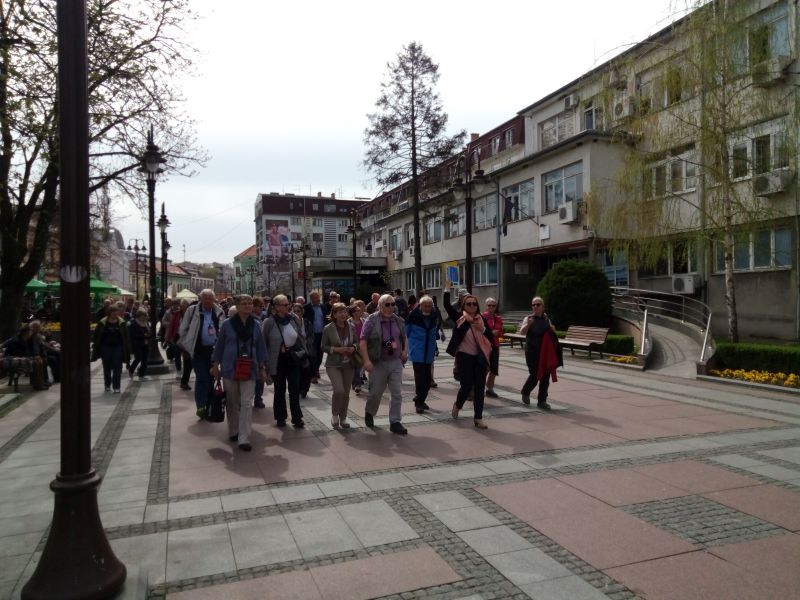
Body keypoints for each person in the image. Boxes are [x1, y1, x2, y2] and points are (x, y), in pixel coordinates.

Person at [211, 294, 268, 451]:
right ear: (237, 306)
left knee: (246, 403)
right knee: (232, 402)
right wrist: (215, 365)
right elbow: (220, 345)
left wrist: (262, 368)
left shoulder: (256, 324)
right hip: (230, 367)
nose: (248, 305)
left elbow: (261, 347)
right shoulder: (227, 324)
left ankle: (244, 438)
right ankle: (234, 430)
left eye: (250, 303)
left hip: (250, 367)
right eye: (244, 303)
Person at [359, 293, 408, 434]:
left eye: (393, 304)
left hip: (395, 361)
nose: (391, 307)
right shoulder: (371, 320)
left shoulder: (398, 320)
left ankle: (395, 422)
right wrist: (366, 360)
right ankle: (369, 412)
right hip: (378, 361)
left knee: (396, 392)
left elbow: (404, 337)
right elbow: (363, 341)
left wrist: (405, 351)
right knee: (375, 392)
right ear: (380, 306)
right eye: (387, 304)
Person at [444, 292, 493, 429]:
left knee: (479, 389)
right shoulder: (460, 318)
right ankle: (458, 405)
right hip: (465, 357)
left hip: (480, 358)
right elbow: (446, 305)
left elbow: (490, 336)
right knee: (466, 387)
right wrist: (447, 289)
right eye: (469, 304)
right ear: (463, 306)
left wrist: (483, 329)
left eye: (474, 304)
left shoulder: (481, 319)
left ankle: (478, 418)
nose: (472, 306)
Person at [178, 289, 225, 418]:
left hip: (213, 351)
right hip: (198, 350)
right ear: (201, 299)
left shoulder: (219, 312)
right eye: (205, 298)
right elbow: (182, 329)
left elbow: (223, 330)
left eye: (210, 298)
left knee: (211, 378)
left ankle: (208, 404)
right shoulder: (192, 310)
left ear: (214, 300)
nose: (208, 301)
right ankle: (201, 406)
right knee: (202, 377)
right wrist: (187, 344)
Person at [263, 294, 307, 428]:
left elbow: (300, 337)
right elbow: (263, 343)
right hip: (277, 360)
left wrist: (304, 352)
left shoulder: (293, 319)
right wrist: (263, 364)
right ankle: (280, 417)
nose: (289, 307)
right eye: (285, 305)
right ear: (276, 307)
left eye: (289, 304)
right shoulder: (269, 322)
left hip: (292, 358)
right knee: (279, 389)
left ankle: (297, 418)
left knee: (294, 388)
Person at [519, 296, 559, 410]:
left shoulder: (547, 319)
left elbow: (552, 334)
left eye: (538, 304)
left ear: (543, 306)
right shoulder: (528, 318)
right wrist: (528, 325)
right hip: (531, 351)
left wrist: (553, 330)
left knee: (545, 376)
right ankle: (525, 391)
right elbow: (522, 332)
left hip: (544, 352)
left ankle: (542, 401)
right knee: (535, 374)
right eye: (533, 305)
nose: (535, 306)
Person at [321, 302, 356, 429]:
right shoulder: (328, 328)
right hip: (333, 364)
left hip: (349, 364)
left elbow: (357, 342)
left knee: (346, 393)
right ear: (334, 314)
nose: (343, 314)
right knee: (339, 390)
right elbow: (323, 346)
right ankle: (335, 414)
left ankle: (343, 418)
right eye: (340, 312)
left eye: (345, 312)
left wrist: (353, 348)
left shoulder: (351, 326)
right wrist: (336, 350)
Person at [405, 295, 441, 414]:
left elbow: (436, 330)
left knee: (428, 380)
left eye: (430, 306)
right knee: (421, 380)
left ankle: (420, 399)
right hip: (417, 352)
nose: (428, 308)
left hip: (428, 352)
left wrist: (438, 336)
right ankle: (419, 403)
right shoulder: (413, 316)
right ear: (420, 306)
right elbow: (406, 333)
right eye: (426, 306)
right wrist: (407, 348)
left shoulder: (434, 315)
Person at [91, 306, 131, 393]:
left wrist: (127, 348)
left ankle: (116, 386)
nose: (115, 313)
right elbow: (96, 335)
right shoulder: (102, 322)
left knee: (117, 366)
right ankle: (107, 384)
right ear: (109, 313)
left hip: (118, 347)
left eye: (116, 312)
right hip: (105, 347)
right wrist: (96, 346)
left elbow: (126, 336)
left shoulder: (122, 322)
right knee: (107, 367)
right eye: (113, 312)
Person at [303, 291, 329, 383]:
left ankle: (316, 369)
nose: (318, 299)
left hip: (322, 334)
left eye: (318, 297)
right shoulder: (306, 308)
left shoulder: (323, 307)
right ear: (311, 299)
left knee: (320, 355)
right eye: (315, 298)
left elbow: (326, 319)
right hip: (312, 335)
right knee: (313, 355)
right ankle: (313, 374)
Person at [166, 299, 192, 389]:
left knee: (187, 359)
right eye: (182, 304)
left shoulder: (191, 314)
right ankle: (179, 371)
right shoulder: (177, 314)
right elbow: (172, 325)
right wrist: (168, 338)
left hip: (187, 338)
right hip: (177, 337)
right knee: (177, 355)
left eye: (184, 304)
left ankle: (184, 380)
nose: (182, 306)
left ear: (188, 305)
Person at [292, 302, 314, 398]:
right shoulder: (291, 323)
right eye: (295, 311)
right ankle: (299, 388)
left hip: (307, 350)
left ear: (302, 312)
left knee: (307, 371)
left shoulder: (307, 322)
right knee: (299, 371)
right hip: (297, 350)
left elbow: (311, 335)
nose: (297, 313)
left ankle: (305, 388)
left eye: (298, 311)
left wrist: (307, 343)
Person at [483, 297, 504, 398]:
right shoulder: (482, 317)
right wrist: (491, 333)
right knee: (485, 368)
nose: (491, 307)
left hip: (495, 345)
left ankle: (490, 388)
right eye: (489, 305)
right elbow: (479, 331)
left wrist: (498, 333)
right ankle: (478, 386)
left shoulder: (498, 318)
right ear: (486, 306)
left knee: (494, 369)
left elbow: (501, 332)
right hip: (485, 346)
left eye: (493, 305)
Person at [348, 301, 366, 394]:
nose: (361, 311)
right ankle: (357, 384)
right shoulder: (348, 322)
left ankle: (357, 381)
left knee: (361, 365)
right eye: (358, 310)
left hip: (363, 346)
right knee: (356, 366)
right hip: (354, 346)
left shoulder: (364, 321)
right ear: (353, 313)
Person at [127, 308, 151, 380]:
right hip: (137, 344)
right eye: (142, 316)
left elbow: (149, 332)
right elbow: (132, 335)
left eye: (144, 315)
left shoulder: (146, 323)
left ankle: (142, 375)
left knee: (145, 360)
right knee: (138, 358)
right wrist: (144, 336)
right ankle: (131, 370)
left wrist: (148, 335)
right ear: (138, 316)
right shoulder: (133, 323)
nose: (144, 317)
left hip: (145, 343)